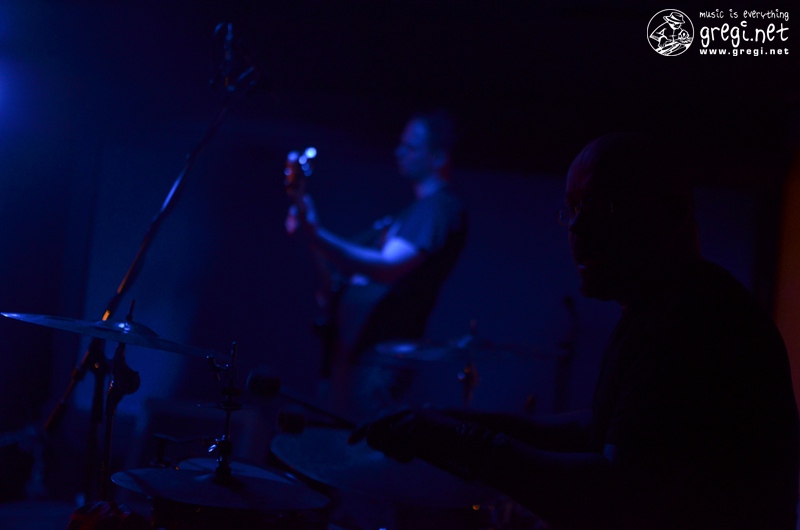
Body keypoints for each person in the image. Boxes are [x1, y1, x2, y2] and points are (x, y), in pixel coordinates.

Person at [349, 133, 800, 529]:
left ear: (673, 213)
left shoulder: (694, 323)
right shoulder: (667, 306)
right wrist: (446, 422)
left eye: (604, 207)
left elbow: (617, 500)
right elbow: (598, 428)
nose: (579, 227)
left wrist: (457, 440)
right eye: (573, 208)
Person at [286, 111, 468, 418]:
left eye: (410, 146)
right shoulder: (402, 217)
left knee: (358, 439)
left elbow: (387, 266)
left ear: (438, 157)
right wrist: (310, 234)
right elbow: (334, 280)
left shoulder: (439, 208)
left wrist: (315, 233)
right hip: (349, 353)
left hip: (379, 359)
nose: (399, 152)